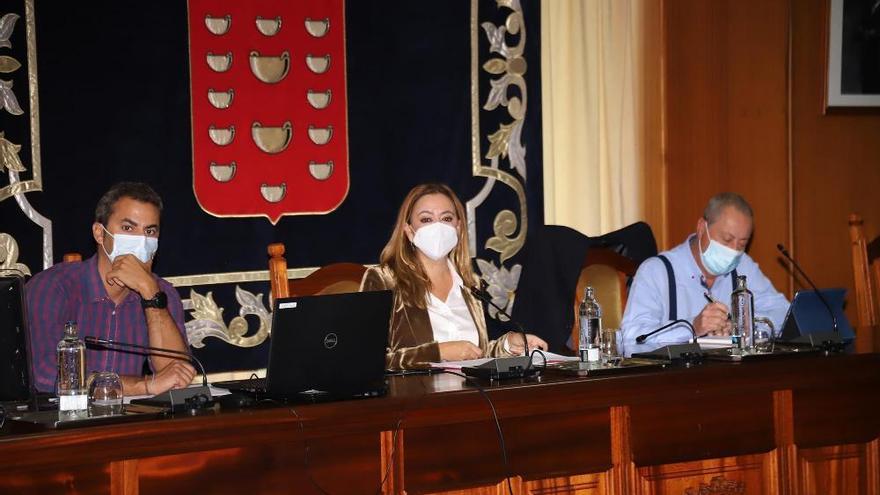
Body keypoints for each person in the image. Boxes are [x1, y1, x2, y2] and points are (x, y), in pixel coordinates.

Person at [26, 182, 196, 395]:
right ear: (100, 233)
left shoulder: (161, 293)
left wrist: (150, 294)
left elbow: (176, 375)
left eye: (150, 231)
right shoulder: (54, 287)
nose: (141, 240)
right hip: (57, 424)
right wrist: (141, 386)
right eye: (128, 228)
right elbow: (43, 374)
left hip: (130, 425)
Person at [361, 183, 547, 369]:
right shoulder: (383, 280)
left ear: (458, 227)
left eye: (446, 218)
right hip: (416, 395)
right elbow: (365, 360)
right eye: (426, 220)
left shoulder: (470, 284)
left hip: (471, 393)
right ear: (409, 231)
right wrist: (438, 353)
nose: (438, 227)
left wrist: (508, 344)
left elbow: (475, 354)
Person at [620, 192, 789, 346]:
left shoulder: (743, 266)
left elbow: (783, 312)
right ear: (702, 228)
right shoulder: (656, 271)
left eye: (742, 243)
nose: (734, 250)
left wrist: (743, 327)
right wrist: (693, 327)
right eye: (727, 239)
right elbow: (633, 336)